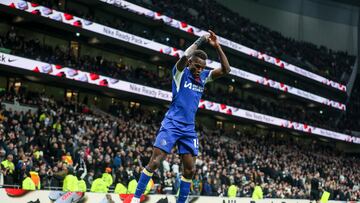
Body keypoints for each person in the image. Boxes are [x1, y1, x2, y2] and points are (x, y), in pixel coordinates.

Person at [125, 30, 230, 203]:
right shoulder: (179, 73)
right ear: (190, 63)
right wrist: (201, 40)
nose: (199, 70)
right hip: (172, 123)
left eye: (202, 67)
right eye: (197, 66)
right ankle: (136, 199)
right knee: (155, 161)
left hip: (188, 128)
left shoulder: (203, 77)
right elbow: (182, 58)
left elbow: (226, 69)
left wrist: (217, 46)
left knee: (190, 169)